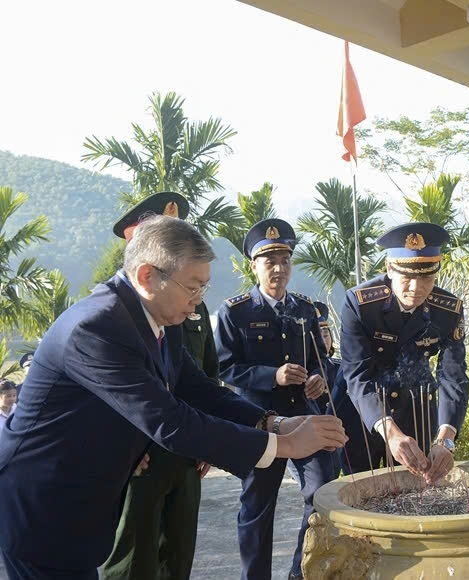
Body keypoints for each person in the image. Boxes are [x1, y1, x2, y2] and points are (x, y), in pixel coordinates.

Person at [0, 215, 346, 580]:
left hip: (85, 501)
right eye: (193, 287)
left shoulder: (159, 318)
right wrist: (281, 446)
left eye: (203, 289)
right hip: (44, 505)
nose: (197, 303)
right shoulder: (97, 327)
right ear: (149, 276)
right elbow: (170, 421)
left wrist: (271, 421)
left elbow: (197, 390)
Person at [101, 192, 220, 580]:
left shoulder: (190, 304)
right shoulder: (109, 318)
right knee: (133, 560)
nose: (194, 297)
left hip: (185, 449)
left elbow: (202, 376)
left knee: (179, 554)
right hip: (139, 454)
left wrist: (208, 439)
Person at [215, 218, 336, 580]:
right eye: (270, 262)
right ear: (254, 265)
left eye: (284, 260)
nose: (279, 269)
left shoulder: (306, 310)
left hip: (305, 415)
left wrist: (319, 379)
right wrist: (273, 376)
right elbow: (225, 367)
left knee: (321, 495)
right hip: (259, 422)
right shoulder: (236, 312)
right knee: (257, 506)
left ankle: (300, 573)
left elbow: (322, 360)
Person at [340, 222, 469, 485]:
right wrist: (391, 433)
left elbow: (452, 376)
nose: (416, 287)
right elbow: (357, 376)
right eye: (407, 277)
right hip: (363, 412)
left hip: (416, 409)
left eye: (426, 278)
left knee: (417, 493)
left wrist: (445, 438)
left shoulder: (448, 310)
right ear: (389, 269)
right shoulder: (361, 304)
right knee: (361, 493)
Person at [314, 301, 376, 476]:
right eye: (317, 335)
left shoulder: (344, 369)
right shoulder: (298, 374)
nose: (322, 339)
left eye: (325, 334)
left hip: (347, 444)